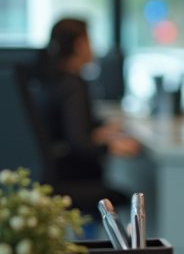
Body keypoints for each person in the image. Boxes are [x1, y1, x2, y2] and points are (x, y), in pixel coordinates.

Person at [41, 18, 141, 202]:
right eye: (90, 41)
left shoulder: (51, 82)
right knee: (128, 196)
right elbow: (79, 144)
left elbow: (68, 134)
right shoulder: (73, 86)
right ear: (80, 45)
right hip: (74, 178)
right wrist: (112, 146)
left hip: (53, 174)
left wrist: (101, 131)